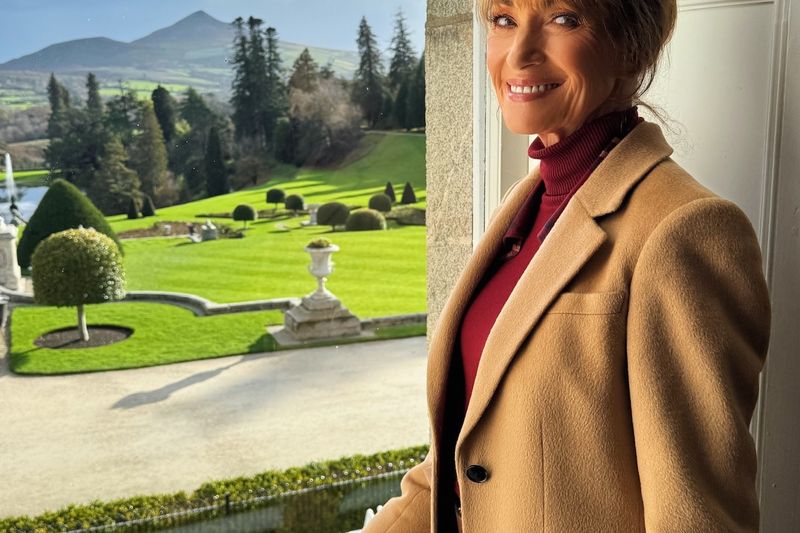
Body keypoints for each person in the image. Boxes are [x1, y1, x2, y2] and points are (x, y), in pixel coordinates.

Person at [363, 0, 771, 532]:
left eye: (563, 19)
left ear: (631, 47)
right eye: (504, 20)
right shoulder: (524, 205)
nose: (520, 53)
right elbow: (466, 460)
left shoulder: (686, 230)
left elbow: (696, 517)